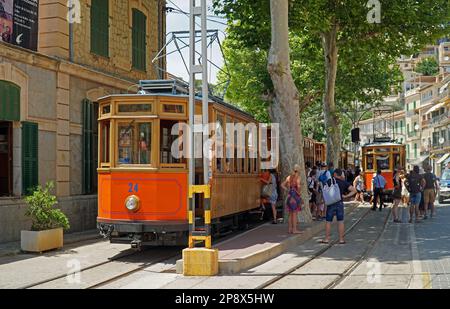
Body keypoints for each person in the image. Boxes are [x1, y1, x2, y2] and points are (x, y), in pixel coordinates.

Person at [320, 169, 357, 244]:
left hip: (330, 203)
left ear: (335, 175)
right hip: (339, 203)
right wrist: (346, 196)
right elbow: (354, 190)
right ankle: (341, 239)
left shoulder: (329, 181)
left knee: (328, 221)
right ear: (341, 175)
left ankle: (326, 239)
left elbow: (324, 191)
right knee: (340, 221)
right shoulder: (343, 182)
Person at [281, 165, 303, 234]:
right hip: (295, 197)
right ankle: (294, 229)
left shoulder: (289, 177)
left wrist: (288, 189)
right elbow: (298, 187)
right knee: (294, 214)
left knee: (290, 214)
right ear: (298, 170)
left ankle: (290, 229)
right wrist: (299, 193)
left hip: (289, 196)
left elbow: (282, 185)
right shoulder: (298, 177)